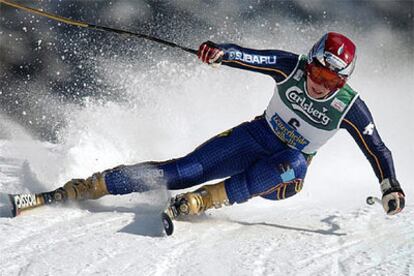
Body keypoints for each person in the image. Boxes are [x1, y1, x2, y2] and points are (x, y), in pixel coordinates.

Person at [45, 32, 405, 218]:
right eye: (318, 73)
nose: (320, 84)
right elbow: (249, 55)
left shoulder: (349, 107)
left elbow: (378, 149)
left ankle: (204, 201)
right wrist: (221, 52)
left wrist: (391, 187)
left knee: (292, 162)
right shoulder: (291, 67)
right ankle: (92, 185)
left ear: (342, 84)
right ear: (309, 63)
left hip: (284, 175)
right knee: (182, 171)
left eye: (332, 81)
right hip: (256, 136)